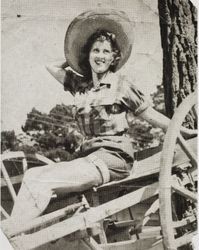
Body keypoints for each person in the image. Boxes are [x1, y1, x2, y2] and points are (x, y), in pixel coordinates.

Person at [8, 9, 195, 224]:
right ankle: (16, 235)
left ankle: (14, 234)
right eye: (95, 50)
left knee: (41, 181)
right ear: (88, 55)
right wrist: (74, 58)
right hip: (87, 156)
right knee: (32, 177)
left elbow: (152, 117)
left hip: (114, 157)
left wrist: (184, 131)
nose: (100, 56)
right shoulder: (81, 86)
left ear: (114, 57)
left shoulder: (121, 86)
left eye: (106, 52)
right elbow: (50, 66)